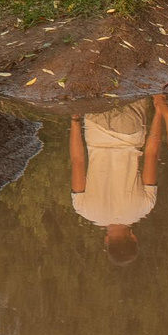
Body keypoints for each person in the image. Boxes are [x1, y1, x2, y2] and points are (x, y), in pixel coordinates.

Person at [69, 99, 161, 264]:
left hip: (130, 133)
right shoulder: (83, 208)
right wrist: (75, 121)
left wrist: (160, 111)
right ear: (107, 241)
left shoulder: (145, 206)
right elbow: (77, 161)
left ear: (134, 238)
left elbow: (151, 155)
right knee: (97, 81)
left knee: (134, 79)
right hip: (97, 132)